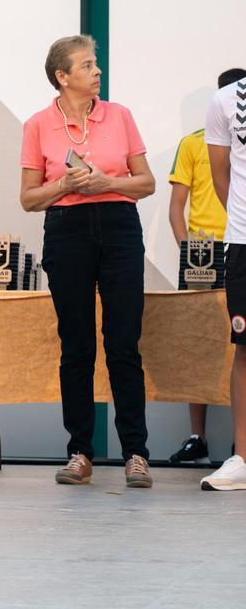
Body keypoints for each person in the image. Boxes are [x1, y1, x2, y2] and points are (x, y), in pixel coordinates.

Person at [19, 35, 156, 488]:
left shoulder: (120, 115)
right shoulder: (38, 124)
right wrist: (64, 185)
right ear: (62, 76)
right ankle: (79, 452)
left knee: (124, 342)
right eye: (86, 65)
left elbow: (147, 183)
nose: (97, 72)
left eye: (95, 64)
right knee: (76, 344)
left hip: (119, 227)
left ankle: (136, 453)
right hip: (67, 229)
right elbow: (28, 198)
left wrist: (106, 182)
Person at [166, 68, 245, 464]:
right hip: (204, 258)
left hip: (238, 245)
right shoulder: (193, 143)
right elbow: (176, 207)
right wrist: (188, 253)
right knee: (198, 345)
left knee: (240, 348)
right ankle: (197, 435)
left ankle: (239, 442)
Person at [200, 70, 246, 490]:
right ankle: (242, 459)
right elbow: (221, 179)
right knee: (244, 349)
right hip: (244, 242)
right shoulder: (226, 100)